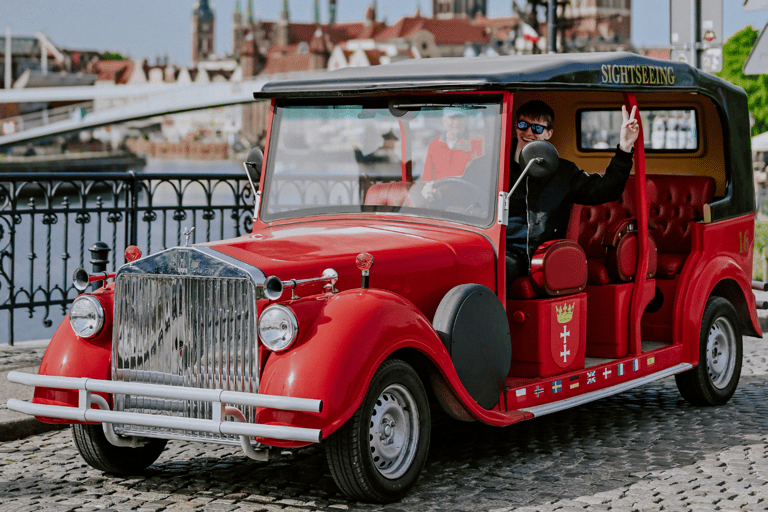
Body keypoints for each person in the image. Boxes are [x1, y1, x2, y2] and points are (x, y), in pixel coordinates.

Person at [506, 99, 640, 285]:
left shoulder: (563, 172)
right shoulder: (496, 164)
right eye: (523, 124)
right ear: (515, 126)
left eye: (536, 128)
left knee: (499, 266)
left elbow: (607, 189)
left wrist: (625, 147)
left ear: (548, 133)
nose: (528, 132)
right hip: (497, 245)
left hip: (537, 254)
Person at [420, 109, 484, 201]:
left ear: (466, 120)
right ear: (444, 120)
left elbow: (480, 177)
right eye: (452, 118)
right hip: (438, 197)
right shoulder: (434, 144)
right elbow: (427, 178)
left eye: (460, 118)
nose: (457, 122)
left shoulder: (477, 141)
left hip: (466, 199)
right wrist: (429, 191)